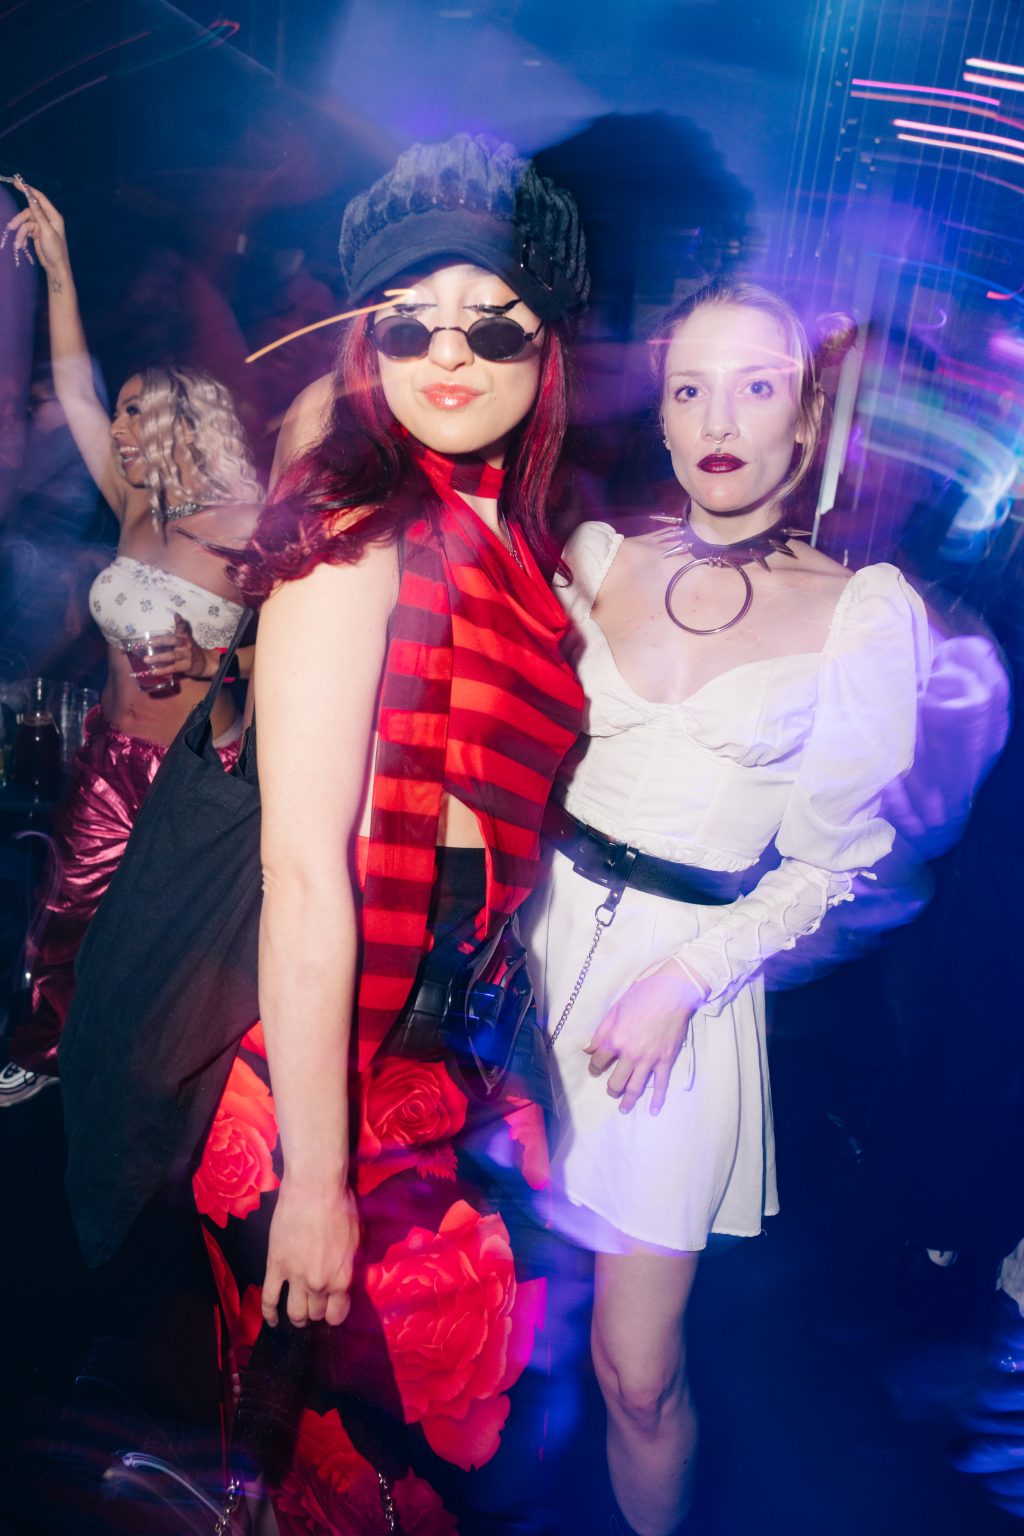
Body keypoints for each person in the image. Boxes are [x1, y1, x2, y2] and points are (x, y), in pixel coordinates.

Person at [65, 135, 588, 1533]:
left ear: (549, 345)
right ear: (368, 339)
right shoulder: (359, 537)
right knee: (368, 1478)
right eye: (410, 321)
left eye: (493, 324)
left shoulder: (510, 534)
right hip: (333, 1084)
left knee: (447, 1460)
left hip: (453, 1065)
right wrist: (314, 1180)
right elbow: (302, 873)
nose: (450, 354)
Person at [521, 281, 931, 1536]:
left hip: (680, 995)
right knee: (496, 1316)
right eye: (690, 387)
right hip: (525, 958)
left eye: (757, 387)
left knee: (635, 1375)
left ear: (805, 418)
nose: (718, 419)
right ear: (660, 411)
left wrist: (684, 980)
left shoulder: (863, 614)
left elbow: (833, 864)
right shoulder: (597, 558)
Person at [0, 180, 262, 1103]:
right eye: (117, 413)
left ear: (187, 422)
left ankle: (154, 1087)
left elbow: (288, 663)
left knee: (170, 943)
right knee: (64, 909)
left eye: (132, 413)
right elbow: (74, 384)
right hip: (112, 754)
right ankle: (44, 1052)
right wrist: (58, 267)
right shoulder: (136, 508)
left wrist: (208, 662)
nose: (112, 427)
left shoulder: (247, 530)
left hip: (192, 773)